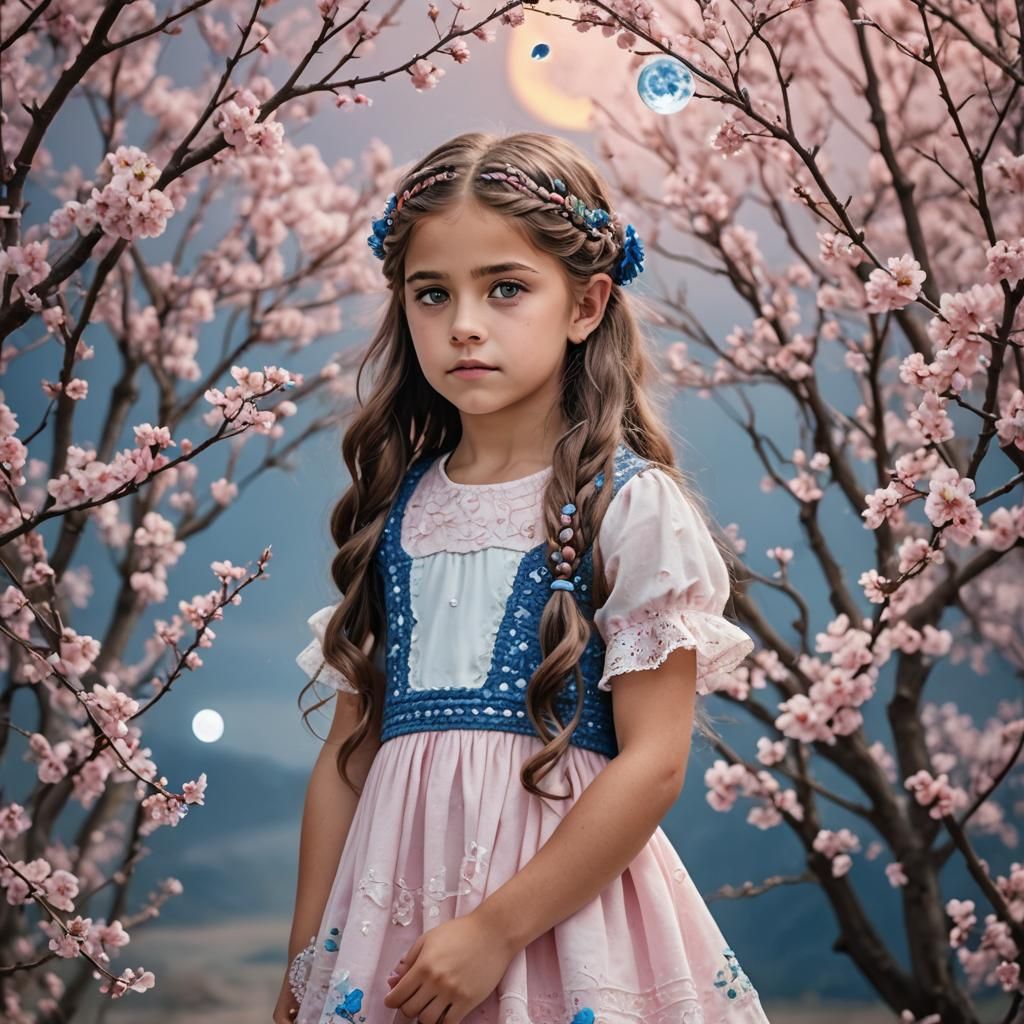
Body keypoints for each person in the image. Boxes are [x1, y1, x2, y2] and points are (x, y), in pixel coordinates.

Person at [272, 130, 768, 1024]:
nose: (464, 321)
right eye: (433, 294)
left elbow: (654, 762)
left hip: (558, 928)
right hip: (392, 924)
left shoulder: (630, 506)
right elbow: (345, 764)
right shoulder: (396, 514)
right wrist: (307, 962)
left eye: (505, 288)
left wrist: (498, 929)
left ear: (586, 304)